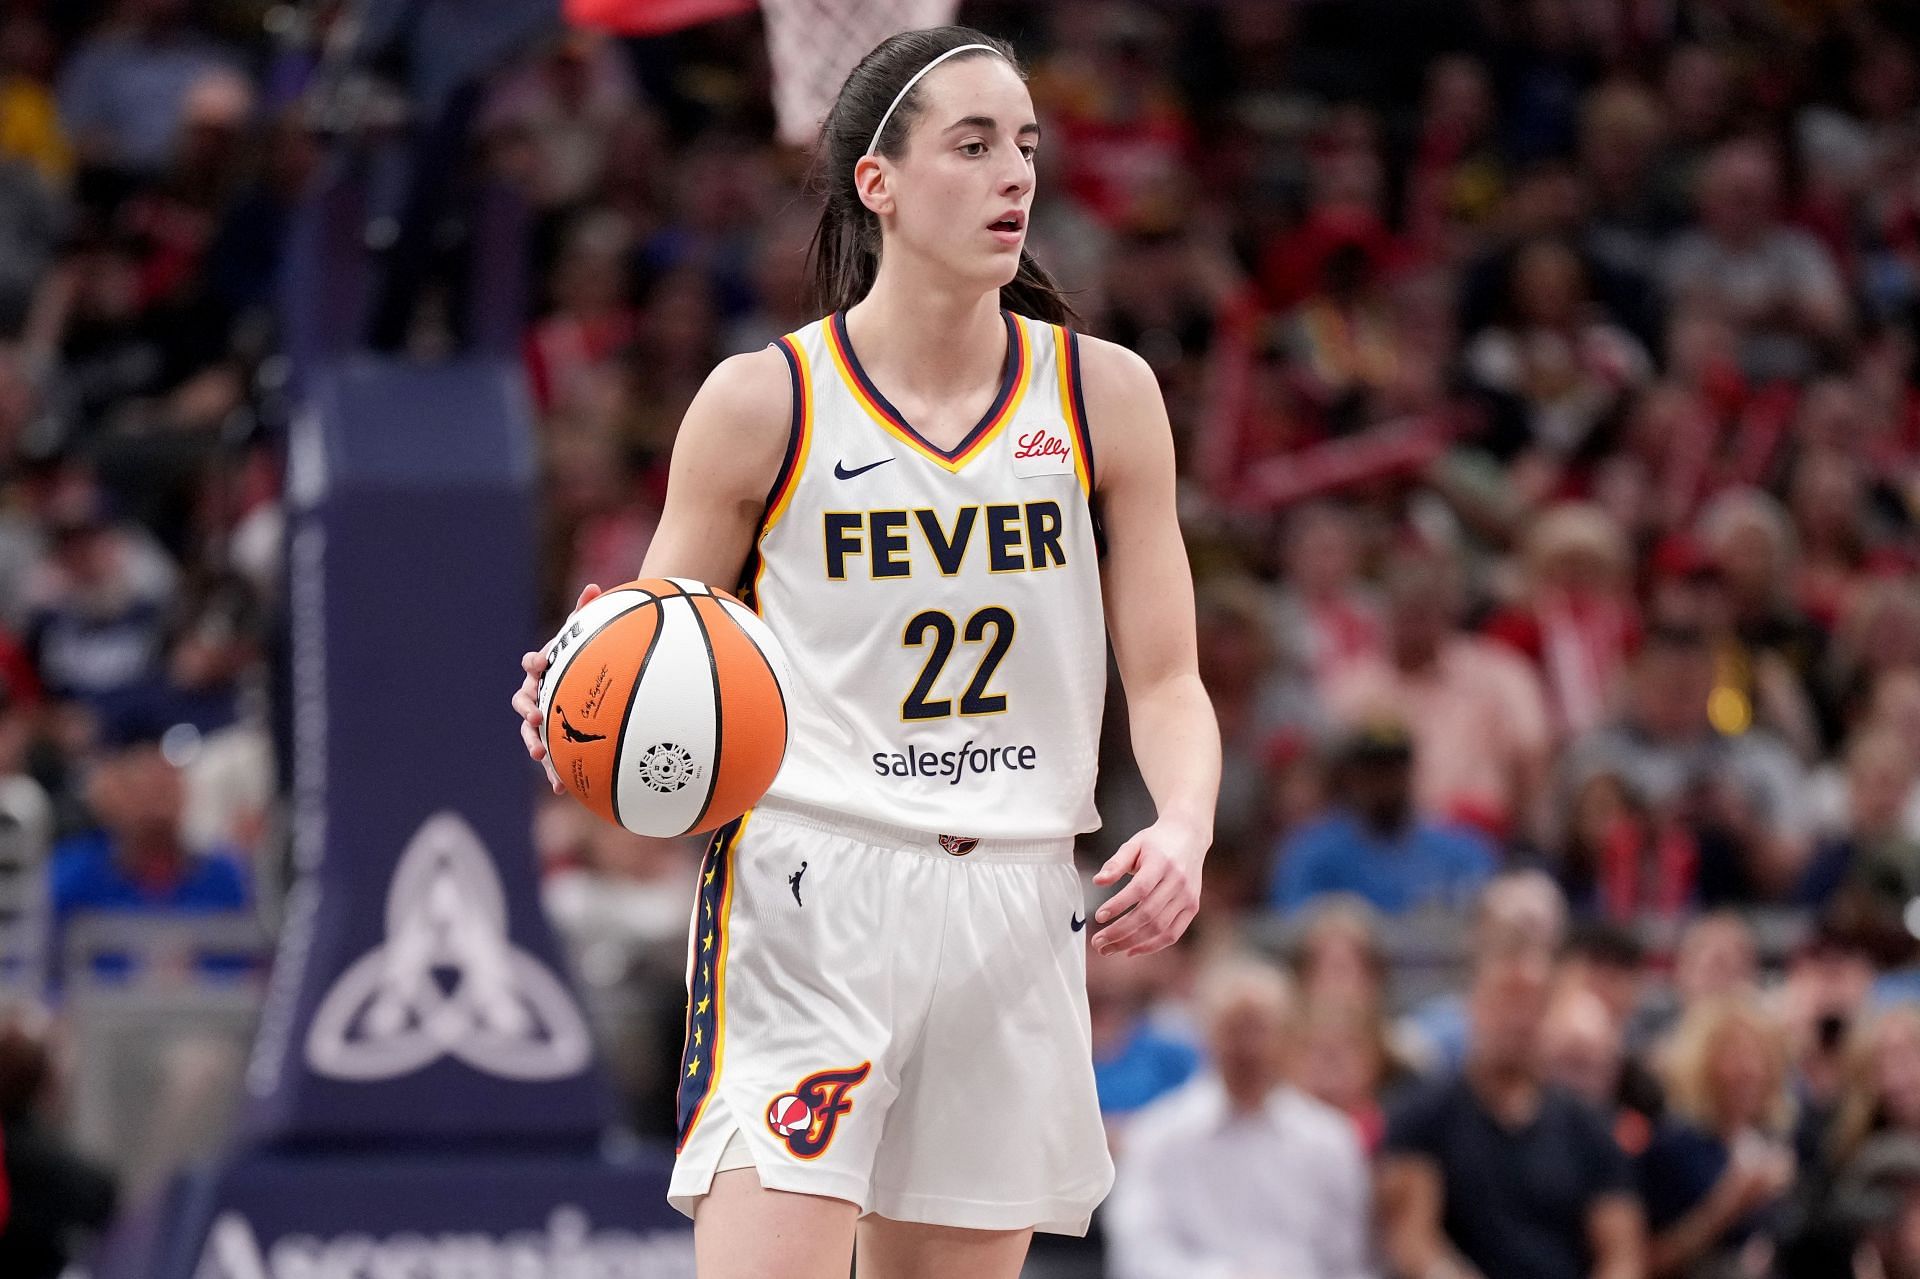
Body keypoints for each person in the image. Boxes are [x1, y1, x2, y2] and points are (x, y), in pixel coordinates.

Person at [510, 28, 1218, 1279]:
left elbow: (1166, 680)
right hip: (810, 889)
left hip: (1015, 895)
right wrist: (576, 699)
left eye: (1028, 147)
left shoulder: (1105, 396)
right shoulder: (762, 403)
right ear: (878, 182)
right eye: (974, 143)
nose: (1017, 176)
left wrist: (1185, 823)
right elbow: (656, 654)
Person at [1377, 930, 1645, 1279]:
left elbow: (1621, 1253)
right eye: (1505, 999)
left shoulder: (1588, 1127)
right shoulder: (1423, 1115)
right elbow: (1413, 1242)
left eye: (1534, 1003)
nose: (1518, 1018)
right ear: (1472, 1004)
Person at [1106, 957, 1374, 1279]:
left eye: (1260, 1029)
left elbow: (1348, 1260)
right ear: (1207, 1033)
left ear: (1287, 1036)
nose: (1248, 1048)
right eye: (1234, 1029)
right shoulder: (1156, 1135)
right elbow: (1138, 1254)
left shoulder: (1329, 1138)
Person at [1269, 722, 1497, 916]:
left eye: (1393, 769)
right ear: (1352, 777)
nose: (1384, 782)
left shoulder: (1460, 850)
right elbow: (1293, 925)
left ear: (1409, 773)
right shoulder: (1312, 851)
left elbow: (1485, 916)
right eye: (1374, 771)